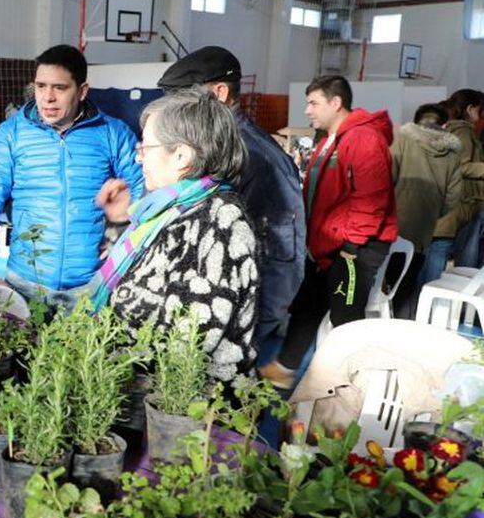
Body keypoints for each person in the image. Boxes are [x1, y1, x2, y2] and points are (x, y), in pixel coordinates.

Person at [89, 87, 259, 383]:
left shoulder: (220, 222)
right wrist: (119, 223)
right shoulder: (173, 208)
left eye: (145, 147)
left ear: (180, 155)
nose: (139, 158)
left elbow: (188, 343)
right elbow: (148, 274)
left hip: (185, 412)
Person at [157, 46, 305, 362]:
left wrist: (245, 334)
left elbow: (280, 255)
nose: (175, 109)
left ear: (220, 92)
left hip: (241, 318)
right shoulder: (219, 145)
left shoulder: (252, 157)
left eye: (184, 98)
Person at [0, 44, 143, 309]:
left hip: (91, 287)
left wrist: (120, 239)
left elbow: (144, 194)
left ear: (82, 91)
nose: (47, 98)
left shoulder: (113, 133)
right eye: (40, 86)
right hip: (25, 283)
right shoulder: (11, 133)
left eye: (59, 88)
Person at [260, 75, 398, 388]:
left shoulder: (362, 138)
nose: (307, 110)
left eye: (314, 103)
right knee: (308, 304)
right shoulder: (329, 140)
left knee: (344, 318)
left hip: (354, 246)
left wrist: (350, 247)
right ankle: (285, 367)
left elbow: (370, 199)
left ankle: (349, 387)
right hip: (327, 244)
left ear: (336, 103)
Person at [388, 103, 462, 317]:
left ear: (416, 121)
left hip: (396, 221)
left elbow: (386, 176)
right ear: (445, 124)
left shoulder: (402, 140)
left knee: (391, 279)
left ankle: (386, 323)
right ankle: (407, 322)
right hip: (426, 224)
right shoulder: (452, 153)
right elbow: (453, 196)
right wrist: (435, 211)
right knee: (413, 279)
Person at [426, 89, 484, 275]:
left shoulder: (445, 130)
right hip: (454, 208)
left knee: (430, 261)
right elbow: (461, 166)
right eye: (480, 110)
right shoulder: (463, 132)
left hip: (437, 207)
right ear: (470, 109)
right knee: (446, 264)